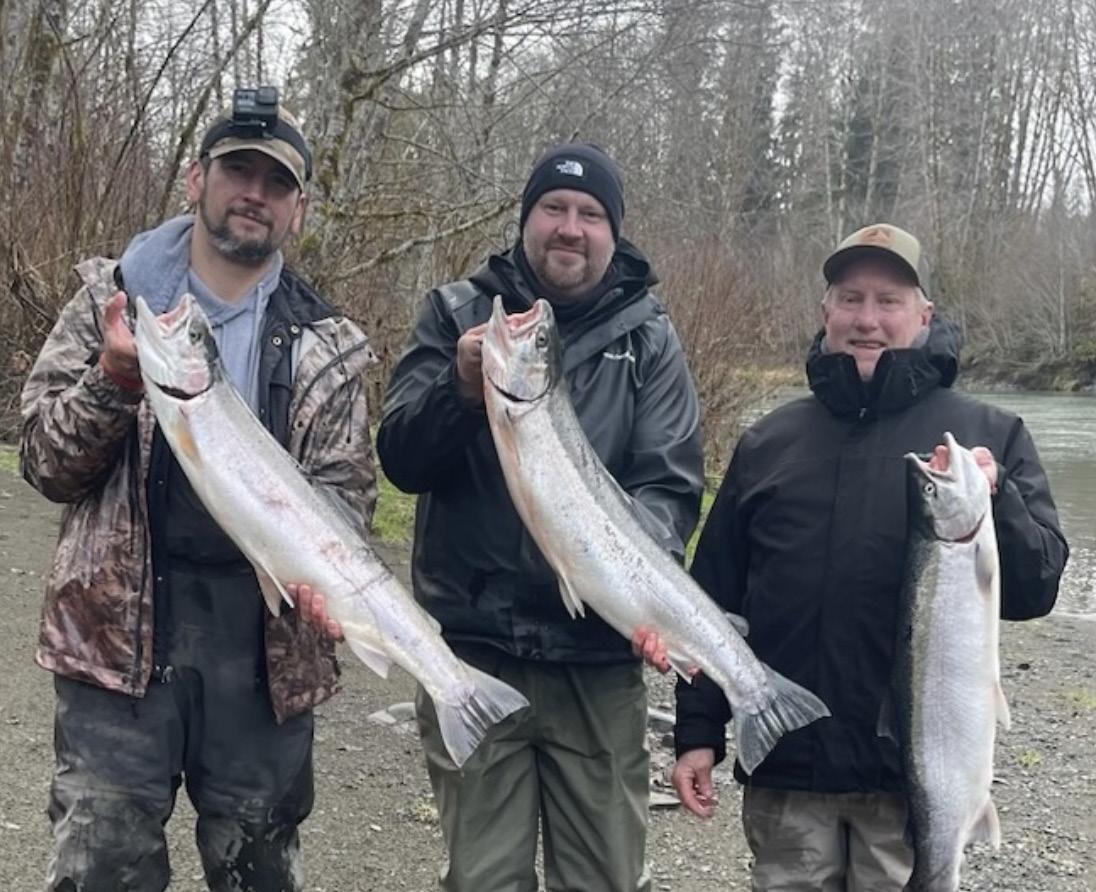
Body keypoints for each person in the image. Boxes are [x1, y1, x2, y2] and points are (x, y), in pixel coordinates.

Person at [299, 142, 705, 891]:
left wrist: (639, 594)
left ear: (614, 232)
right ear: (526, 219)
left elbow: (670, 487)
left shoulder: (650, 338)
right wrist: (458, 390)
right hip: (473, 648)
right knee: (483, 879)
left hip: (596, 664)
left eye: (590, 214)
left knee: (608, 880)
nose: (570, 227)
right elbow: (402, 460)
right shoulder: (456, 313)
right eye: (554, 208)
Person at [637, 223, 1069, 891]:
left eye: (889, 300)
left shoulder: (987, 436)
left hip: (913, 787)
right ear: (826, 312)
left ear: (924, 315)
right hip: (788, 777)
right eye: (851, 298)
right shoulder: (768, 443)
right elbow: (712, 602)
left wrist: (998, 498)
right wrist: (699, 732)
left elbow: (1036, 588)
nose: (868, 319)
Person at [20, 89, 377, 892]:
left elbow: (346, 500)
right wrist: (113, 381)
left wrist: (324, 583)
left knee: (259, 870)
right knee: (102, 869)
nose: (255, 193)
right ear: (196, 179)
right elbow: (43, 461)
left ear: (297, 210)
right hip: (115, 638)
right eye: (237, 170)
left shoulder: (330, 345)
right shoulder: (109, 302)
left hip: (264, 650)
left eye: (277, 182)